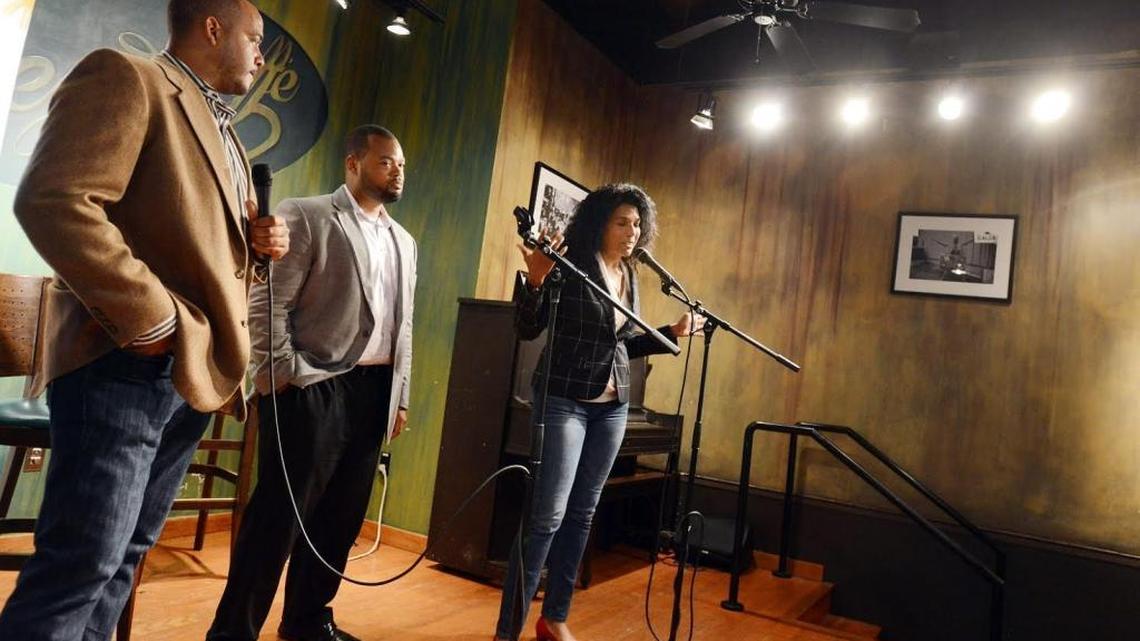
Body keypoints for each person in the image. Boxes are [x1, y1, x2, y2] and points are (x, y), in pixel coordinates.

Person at [0, 1, 289, 638]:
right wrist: (152, 322)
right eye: (254, 37)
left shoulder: (228, 132)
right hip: (125, 366)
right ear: (213, 28)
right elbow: (55, 200)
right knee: (82, 566)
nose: (262, 55)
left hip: (191, 374)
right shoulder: (127, 77)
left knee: (124, 561)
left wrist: (258, 247)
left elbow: (203, 253)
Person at [206, 125, 416, 641]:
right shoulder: (309, 213)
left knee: (341, 520)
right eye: (386, 161)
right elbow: (268, 303)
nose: (397, 171)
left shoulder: (405, 242)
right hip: (313, 386)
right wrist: (282, 375)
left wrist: (400, 396)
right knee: (278, 518)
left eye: (402, 164)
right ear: (353, 163)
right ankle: (233, 631)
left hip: (375, 394)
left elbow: (403, 324)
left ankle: (306, 621)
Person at [494, 184, 702, 641]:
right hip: (564, 400)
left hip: (612, 408)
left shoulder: (629, 273)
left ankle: (555, 618)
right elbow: (527, 327)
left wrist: (672, 331)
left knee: (582, 514)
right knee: (546, 517)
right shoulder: (569, 265)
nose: (633, 231)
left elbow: (621, 343)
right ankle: (507, 631)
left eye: (637, 223)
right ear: (599, 223)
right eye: (622, 221)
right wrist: (535, 279)